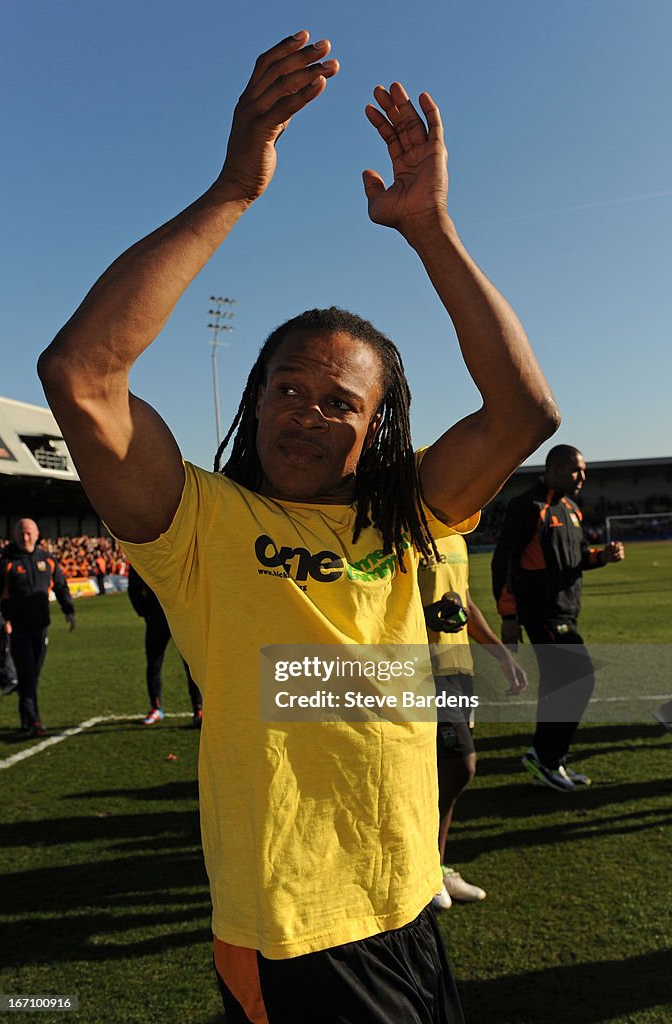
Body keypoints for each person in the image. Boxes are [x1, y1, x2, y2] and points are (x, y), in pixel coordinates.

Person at [38, 31, 559, 1024]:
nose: (304, 411)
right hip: (295, 933)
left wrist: (430, 228)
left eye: (337, 401)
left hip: (408, 905)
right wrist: (235, 186)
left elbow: (521, 413)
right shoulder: (200, 527)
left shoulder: (412, 513)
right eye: (285, 386)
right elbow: (83, 377)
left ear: (379, 429)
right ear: (253, 398)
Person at [492, 445, 625, 791]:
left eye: (583, 471)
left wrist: (603, 556)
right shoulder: (527, 507)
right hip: (543, 614)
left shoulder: (571, 509)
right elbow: (504, 562)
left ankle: (548, 759)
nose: (581, 477)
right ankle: (545, 757)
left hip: (568, 610)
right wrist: (509, 615)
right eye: (575, 470)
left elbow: (578, 558)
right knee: (579, 679)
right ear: (553, 469)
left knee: (560, 686)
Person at [419, 533, 527, 910]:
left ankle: (435, 865)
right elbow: (379, 605)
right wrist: (425, 616)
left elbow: (463, 601)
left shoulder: (454, 539)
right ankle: (424, 868)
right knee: (458, 767)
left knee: (442, 773)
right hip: (422, 670)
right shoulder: (402, 531)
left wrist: (501, 655)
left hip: (458, 668)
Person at [0, 519, 76, 736]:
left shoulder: (46, 559)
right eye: (21, 533)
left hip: (42, 628)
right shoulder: (5, 562)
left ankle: (26, 720)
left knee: (32, 675)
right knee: (28, 673)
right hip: (17, 629)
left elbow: (60, 585)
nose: (25, 537)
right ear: (15, 535)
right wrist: (1, 623)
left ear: (37, 534)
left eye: (29, 533)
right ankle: (34, 721)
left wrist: (68, 610)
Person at [127, 563, 203, 726]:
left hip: (182, 618)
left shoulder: (179, 547)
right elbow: (133, 586)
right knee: (154, 664)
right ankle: (156, 708)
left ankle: (199, 708)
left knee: (191, 665)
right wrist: (145, 612)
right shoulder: (144, 548)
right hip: (156, 619)